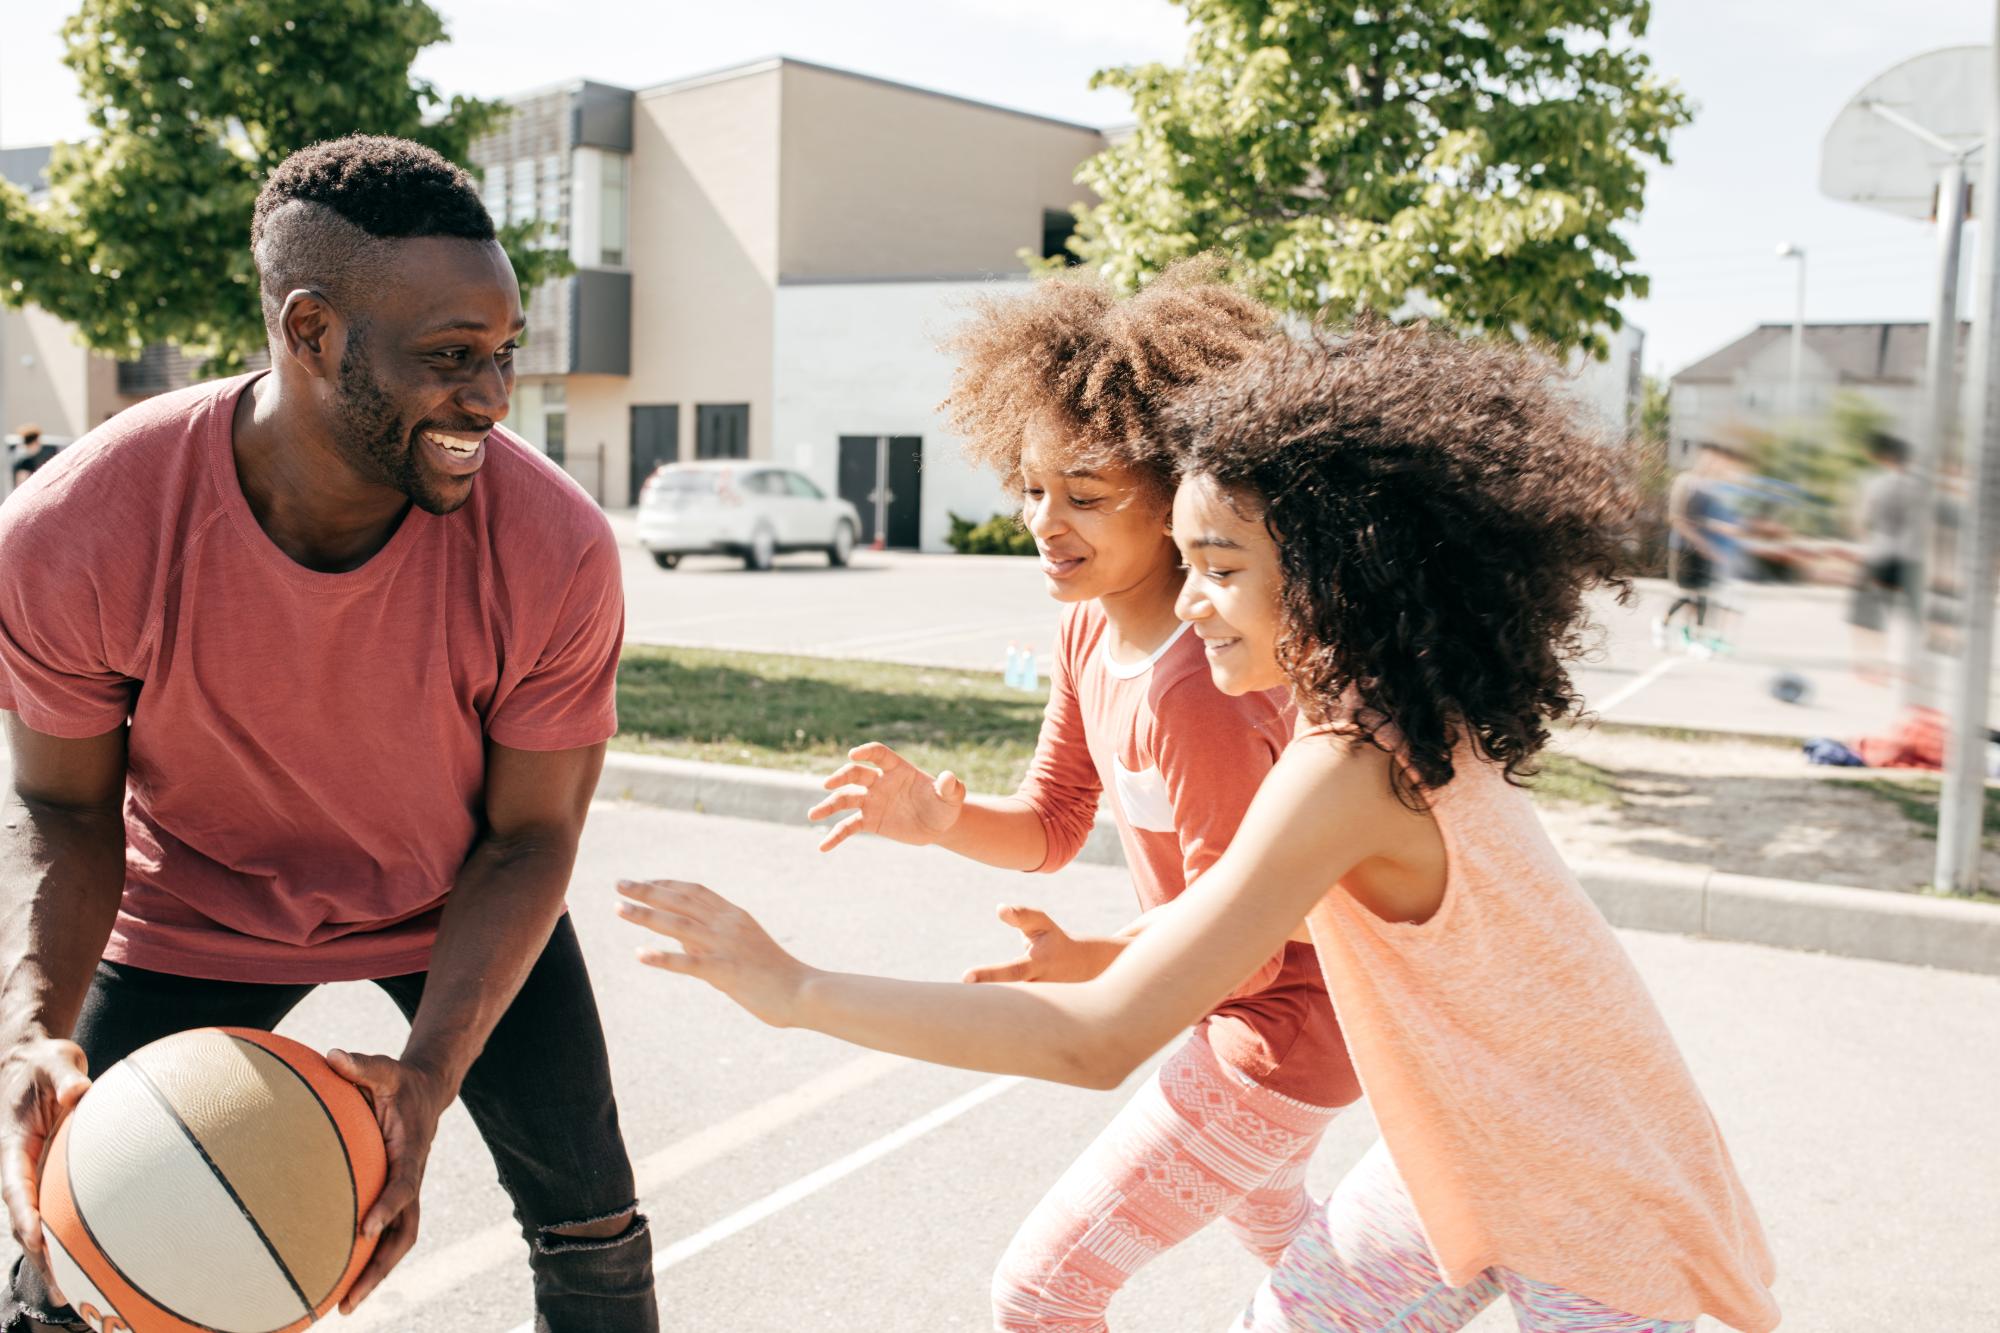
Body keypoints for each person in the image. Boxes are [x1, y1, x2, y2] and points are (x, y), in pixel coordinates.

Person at [620, 322, 1780, 1333]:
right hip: (1457, 1151)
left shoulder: (1348, 765)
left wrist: (794, 986)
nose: (1185, 598)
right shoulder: (1381, 724)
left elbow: (1093, 1040)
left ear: (1337, 579)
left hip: (1592, 1193)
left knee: (1042, 1291)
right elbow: (1162, 898)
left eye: (1218, 567)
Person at [0, 136, 656, 1331]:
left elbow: (529, 837)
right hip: (193, 903)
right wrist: (29, 1031)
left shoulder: (551, 545)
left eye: (503, 355)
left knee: (592, 1229)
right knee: (61, 1245)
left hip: (453, 892)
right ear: (311, 333)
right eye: (450, 359)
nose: (493, 398)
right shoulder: (81, 528)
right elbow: (66, 805)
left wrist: (426, 1081)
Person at [805, 266, 1360, 1331]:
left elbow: (1242, 947)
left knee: (1044, 1291)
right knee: (1288, 1243)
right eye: (1030, 485)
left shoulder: (1202, 685)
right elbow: (1054, 823)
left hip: (1278, 1031)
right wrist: (938, 821)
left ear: (1175, 494)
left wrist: (1097, 957)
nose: (1043, 522)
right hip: (1229, 1006)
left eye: (1087, 495)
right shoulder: (1084, 626)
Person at [1655, 441, 1746, 657]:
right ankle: (1664, 624)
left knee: (1703, 596)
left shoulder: (1710, 486)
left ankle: (1693, 638)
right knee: (1687, 595)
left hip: (1706, 549)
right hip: (1685, 548)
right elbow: (1678, 519)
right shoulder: (1685, 481)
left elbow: (1705, 521)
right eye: (1709, 458)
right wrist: (1703, 544)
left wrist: (1723, 533)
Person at [1847, 430, 1919, 684]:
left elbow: (1861, 521)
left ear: (1885, 457)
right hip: (1911, 556)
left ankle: (1871, 667)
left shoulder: (1875, 483)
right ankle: (1910, 666)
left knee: (1868, 612)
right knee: (1909, 615)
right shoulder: (1920, 487)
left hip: (1879, 553)